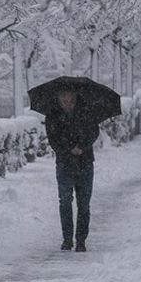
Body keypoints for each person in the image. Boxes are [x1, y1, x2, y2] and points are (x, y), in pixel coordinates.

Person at [44, 89, 100, 252]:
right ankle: (67, 239)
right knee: (65, 201)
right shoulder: (53, 115)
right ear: (59, 98)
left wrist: (82, 147)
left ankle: (81, 240)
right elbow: (53, 139)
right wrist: (70, 149)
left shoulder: (87, 111)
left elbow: (94, 132)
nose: (67, 102)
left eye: (70, 98)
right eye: (64, 98)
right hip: (64, 164)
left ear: (75, 97)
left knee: (84, 203)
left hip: (85, 162)